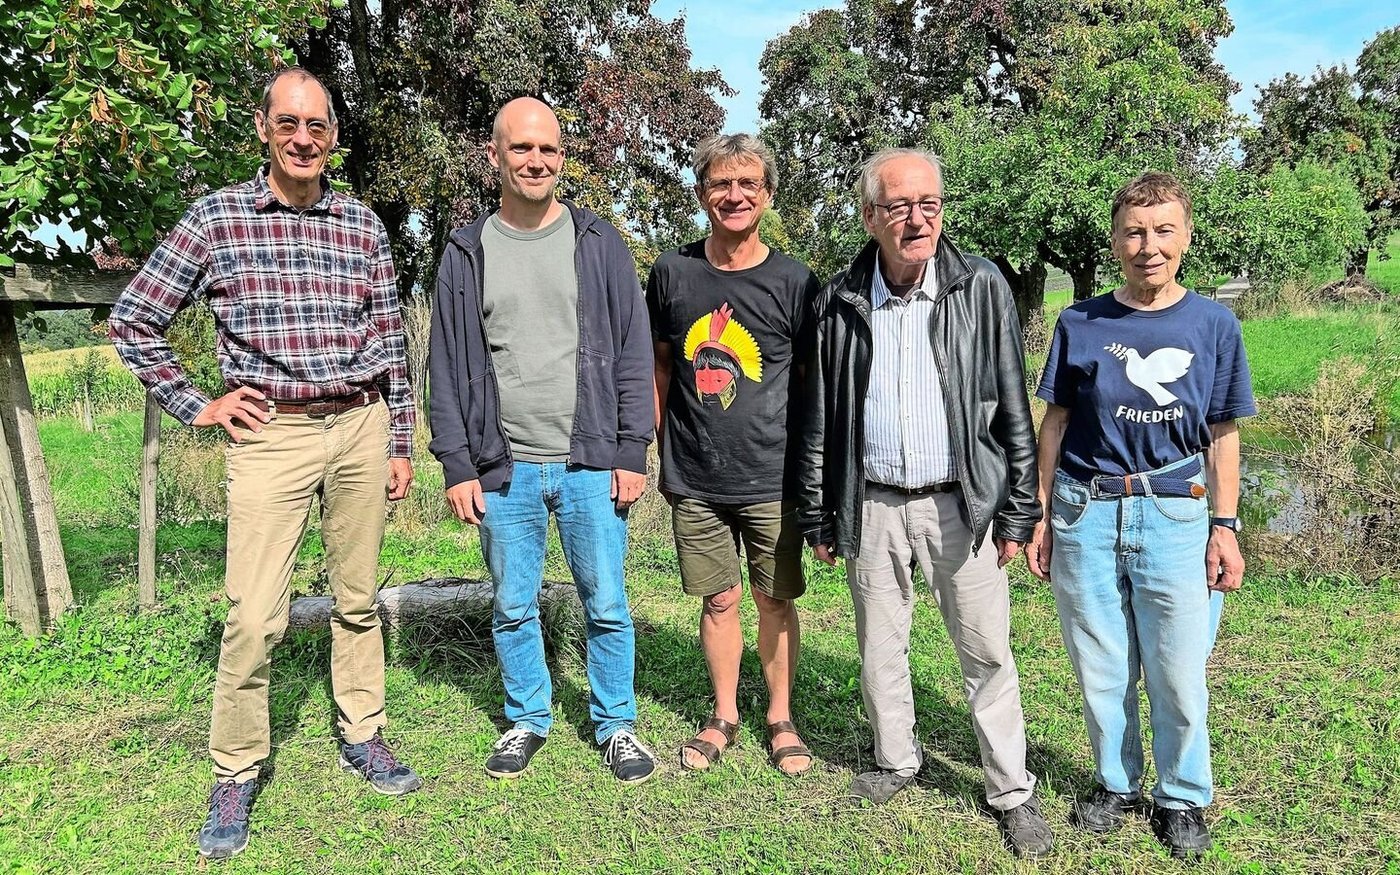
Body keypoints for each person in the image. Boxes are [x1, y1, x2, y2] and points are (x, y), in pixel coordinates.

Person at [109, 67, 421, 860]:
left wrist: (399, 439)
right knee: (253, 613)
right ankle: (236, 768)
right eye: (290, 124)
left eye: (317, 127)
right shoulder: (217, 219)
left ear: (334, 138)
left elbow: (392, 344)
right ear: (263, 128)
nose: (304, 139)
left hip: (358, 423)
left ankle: (363, 730)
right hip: (271, 434)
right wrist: (199, 403)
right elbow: (134, 319)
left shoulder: (361, 225)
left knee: (357, 598)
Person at [797, 148, 1052, 857]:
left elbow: (1010, 405)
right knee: (880, 647)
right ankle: (896, 760)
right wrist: (820, 509)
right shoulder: (840, 297)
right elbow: (820, 413)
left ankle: (1011, 790)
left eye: (930, 204)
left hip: (961, 504)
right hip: (873, 504)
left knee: (987, 652)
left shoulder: (980, 287)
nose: (918, 219)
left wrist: (1019, 509)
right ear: (870, 216)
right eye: (901, 206)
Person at [427, 97, 656, 784]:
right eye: (522, 148)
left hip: (589, 461)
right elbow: (446, 363)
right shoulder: (467, 253)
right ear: (494, 154)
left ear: (563, 156)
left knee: (608, 602)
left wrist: (630, 449)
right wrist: (457, 464)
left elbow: (632, 349)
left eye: (549, 149)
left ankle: (615, 723)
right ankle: (528, 715)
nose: (536, 160)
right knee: (512, 602)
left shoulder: (598, 242)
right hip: (505, 468)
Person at [1027, 171, 1254, 860]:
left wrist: (1227, 524)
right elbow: (1056, 422)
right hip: (1085, 509)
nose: (1147, 246)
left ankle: (1182, 795)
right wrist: (1040, 514)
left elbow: (1222, 433)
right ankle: (1116, 781)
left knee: (1178, 669)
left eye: (1162, 230)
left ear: (1186, 235)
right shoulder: (1081, 321)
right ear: (1117, 239)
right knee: (1101, 663)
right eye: (1134, 231)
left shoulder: (1213, 324)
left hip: (1175, 513)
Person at [647, 134, 820, 775]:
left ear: (768, 195)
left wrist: (812, 470)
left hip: (771, 475)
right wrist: (658, 447)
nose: (734, 195)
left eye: (748, 184)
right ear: (701, 195)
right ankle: (723, 714)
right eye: (721, 184)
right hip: (695, 474)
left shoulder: (795, 282)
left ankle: (780, 717)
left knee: (774, 600)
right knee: (718, 599)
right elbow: (661, 367)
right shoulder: (672, 273)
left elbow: (809, 382)